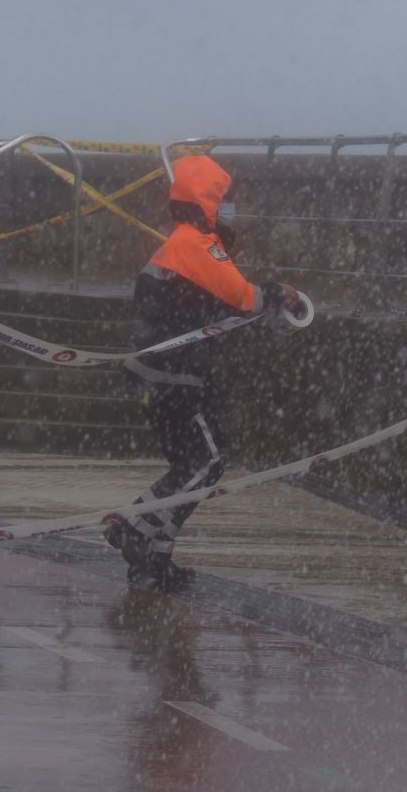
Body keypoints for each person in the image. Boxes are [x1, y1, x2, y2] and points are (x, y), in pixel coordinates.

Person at [106, 154, 298, 591]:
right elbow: (244, 298)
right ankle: (133, 527)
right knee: (208, 461)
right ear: (209, 201)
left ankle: (153, 561)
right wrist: (278, 294)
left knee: (187, 466)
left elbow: (202, 305)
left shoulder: (178, 243)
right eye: (226, 200)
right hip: (177, 376)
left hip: (167, 374)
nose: (232, 209)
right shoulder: (197, 244)